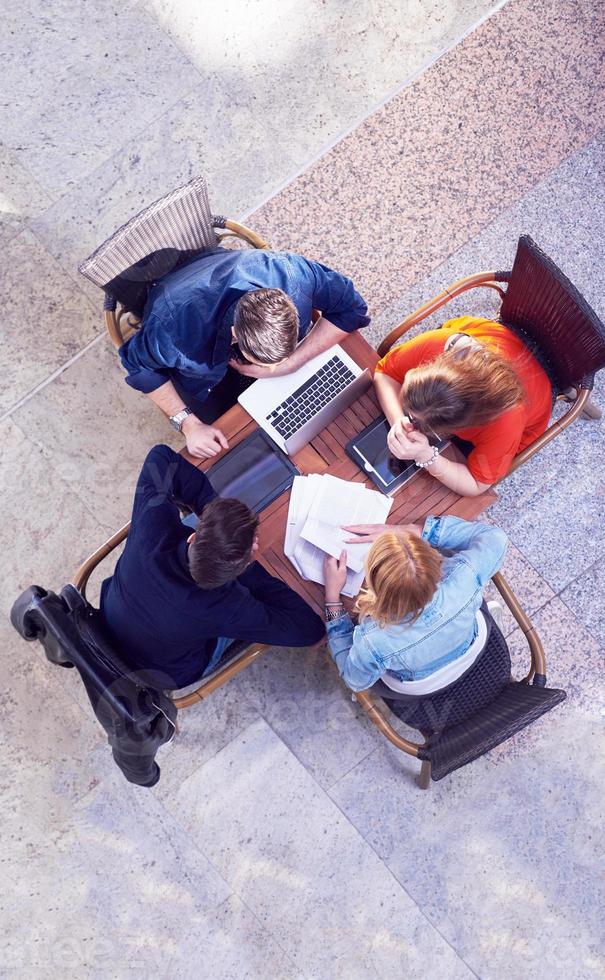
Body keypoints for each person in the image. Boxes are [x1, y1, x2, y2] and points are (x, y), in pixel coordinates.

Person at [100, 445, 325, 689]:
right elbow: (309, 631)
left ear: (193, 538)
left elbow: (160, 457)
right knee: (250, 620)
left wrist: (217, 519)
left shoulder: (151, 529)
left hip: (111, 623)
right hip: (165, 671)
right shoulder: (228, 607)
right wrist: (249, 571)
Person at [119, 247, 370, 460]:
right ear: (235, 334)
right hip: (202, 370)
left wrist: (293, 362)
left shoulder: (292, 274)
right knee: (238, 448)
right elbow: (138, 366)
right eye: (265, 363)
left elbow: (352, 309)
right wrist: (188, 424)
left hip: (218, 272)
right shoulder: (174, 329)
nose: (271, 370)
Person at [321, 515, 508, 693]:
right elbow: (496, 538)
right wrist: (416, 531)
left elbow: (354, 680)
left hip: (421, 684)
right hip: (471, 645)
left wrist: (332, 599)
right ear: (434, 562)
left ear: (376, 589)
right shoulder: (464, 574)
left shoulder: (373, 642)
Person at [373, 315, 553, 496]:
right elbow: (385, 373)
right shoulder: (438, 343)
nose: (413, 425)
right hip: (497, 339)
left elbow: (476, 484)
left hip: (530, 407)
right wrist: (398, 419)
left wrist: (426, 456)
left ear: (463, 426)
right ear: (430, 366)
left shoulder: (506, 424)